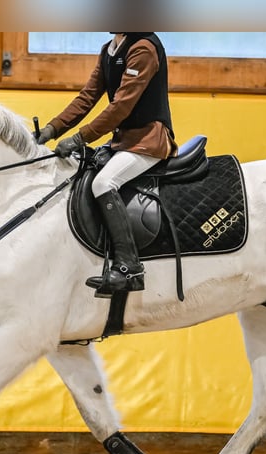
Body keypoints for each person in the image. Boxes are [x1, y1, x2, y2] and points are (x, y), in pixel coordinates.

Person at [36, 32, 177, 298]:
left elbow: (121, 107)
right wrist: (52, 128)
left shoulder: (143, 48)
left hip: (148, 141)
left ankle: (130, 268)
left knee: (104, 183)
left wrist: (80, 137)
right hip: (124, 142)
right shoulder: (110, 50)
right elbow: (88, 96)